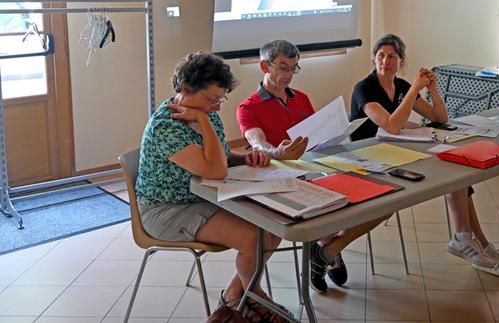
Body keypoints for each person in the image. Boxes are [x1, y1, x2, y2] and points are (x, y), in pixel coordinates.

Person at [350, 33, 499, 277]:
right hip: (370, 159)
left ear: (402, 61)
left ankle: (472, 240)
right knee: (452, 174)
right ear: (374, 58)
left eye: (392, 57)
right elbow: (391, 125)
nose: (385, 61)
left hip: (399, 152)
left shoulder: (402, 87)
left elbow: (440, 118)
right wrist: (415, 90)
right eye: (380, 56)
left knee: (457, 170)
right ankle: (470, 241)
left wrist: (432, 89)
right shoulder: (364, 88)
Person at [136, 51, 286, 322]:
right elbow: (215, 170)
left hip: (204, 195)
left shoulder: (204, 111)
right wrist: (203, 121)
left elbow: (218, 155)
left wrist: (243, 157)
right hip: (166, 210)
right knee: (254, 238)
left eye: (221, 99)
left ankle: (235, 295)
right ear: (185, 90)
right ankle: (253, 297)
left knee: (273, 227)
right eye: (212, 100)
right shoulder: (165, 126)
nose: (217, 107)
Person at [236, 39, 388, 294]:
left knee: (383, 202)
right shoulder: (248, 107)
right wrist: (278, 152)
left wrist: (338, 137)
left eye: (294, 68)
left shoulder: (302, 99)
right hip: (282, 179)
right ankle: (326, 250)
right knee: (330, 209)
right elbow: (257, 143)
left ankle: (327, 250)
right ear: (264, 66)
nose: (289, 75)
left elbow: (319, 138)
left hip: (316, 169)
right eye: (283, 67)